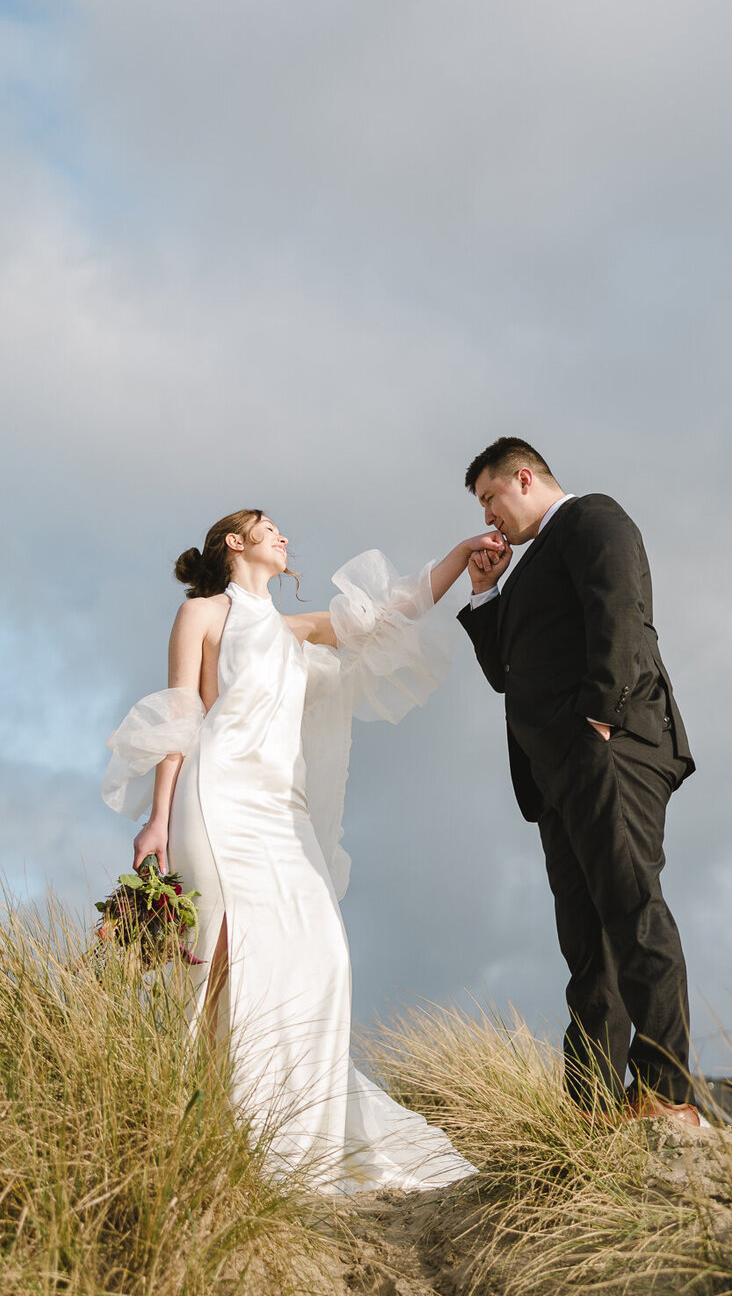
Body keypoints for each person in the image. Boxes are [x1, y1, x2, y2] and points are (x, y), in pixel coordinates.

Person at [102, 510, 496, 1192]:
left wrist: (462, 555)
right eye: (269, 527)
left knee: (326, 956)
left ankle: (293, 1130)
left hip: (283, 810)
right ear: (235, 542)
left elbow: (388, 612)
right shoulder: (201, 614)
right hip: (216, 798)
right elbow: (180, 716)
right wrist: (158, 820)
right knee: (223, 962)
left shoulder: (294, 631)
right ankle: (210, 1132)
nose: (284, 537)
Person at [457, 439, 702, 1127]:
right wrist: (486, 596)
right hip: (558, 773)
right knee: (586, 943)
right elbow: (510, 672)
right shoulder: (532, 566)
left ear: (525, 478)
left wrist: (600, 721)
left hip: (613, 750)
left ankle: (664, 1091)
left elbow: (620, 614)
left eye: (490, 498)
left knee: (632, 908)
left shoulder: (594, 518)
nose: (489, 517)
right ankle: (591, 1110)